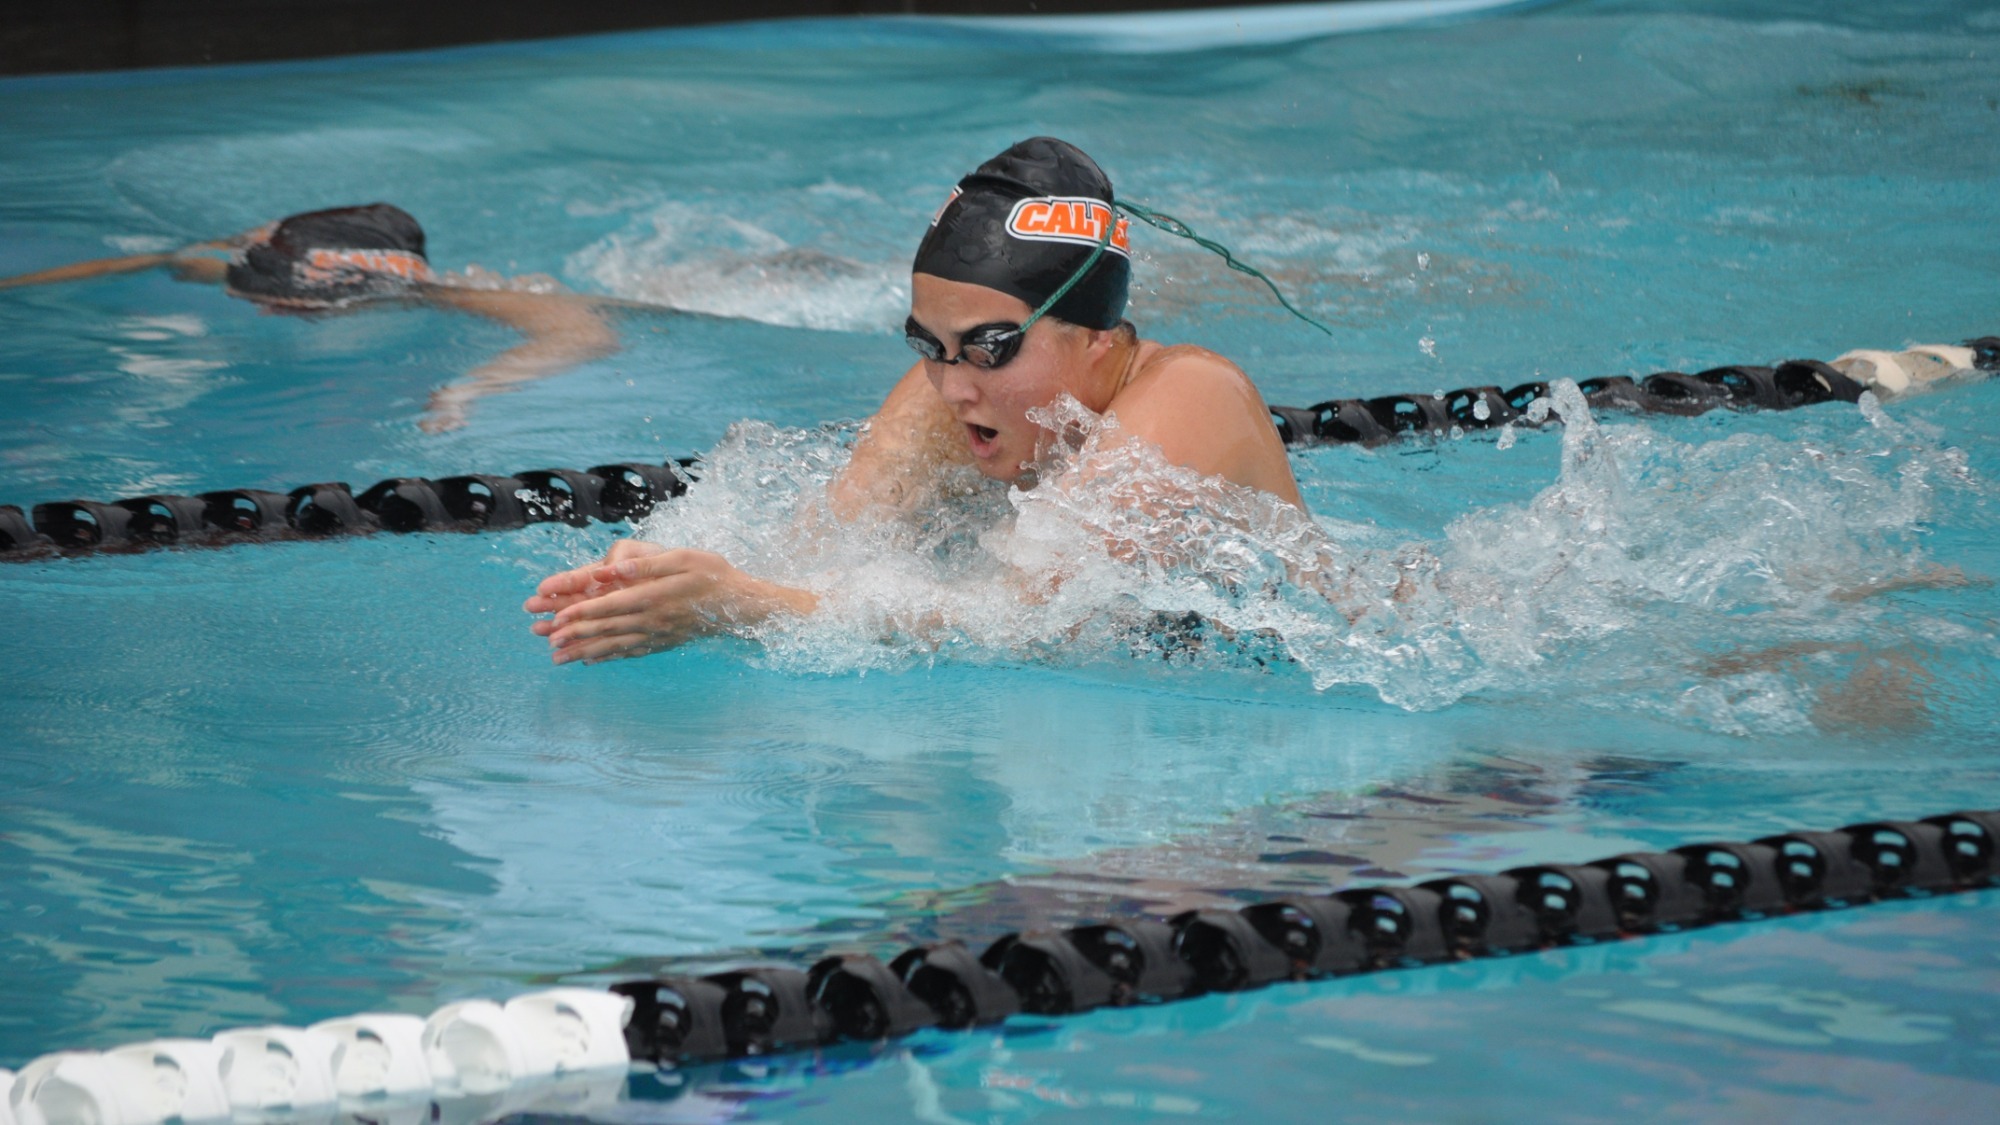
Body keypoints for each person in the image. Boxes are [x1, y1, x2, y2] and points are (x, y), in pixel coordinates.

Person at [526, 136, 1310, 665]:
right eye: (928, 345)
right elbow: (826, 546)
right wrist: (672, 580)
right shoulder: (955, 388)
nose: (953, 384)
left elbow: (1025, 618)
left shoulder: (1192, 394)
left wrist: (745, 603)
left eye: (991, 347)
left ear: (1097, 339)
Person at [0, 203, 623, 433]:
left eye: (286, 305)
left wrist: (468, 389)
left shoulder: (443, 298)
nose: (266, 309)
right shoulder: (242, 274)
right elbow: (164, 259)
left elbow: (587, 334)